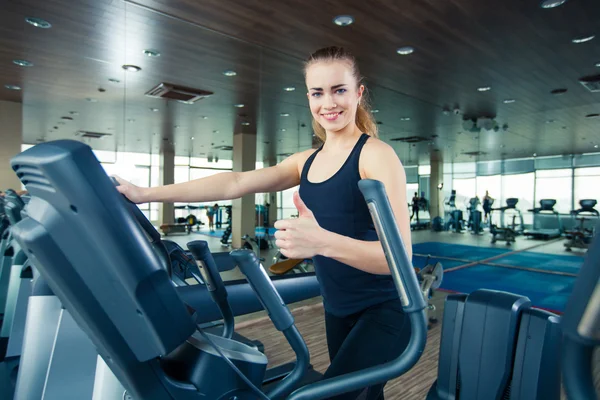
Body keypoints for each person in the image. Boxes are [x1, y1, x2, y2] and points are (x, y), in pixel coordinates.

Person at [114, 46, 412, 400]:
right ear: (308, 97)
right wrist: (145, 194)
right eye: (317, 93)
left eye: (339, 90)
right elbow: (235, 182)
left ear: (359, 93)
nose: (328, 103)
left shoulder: (376, 155)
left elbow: (400, 259)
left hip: (387, 310)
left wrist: (320, 242)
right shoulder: (306, 161)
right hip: (338, 309)